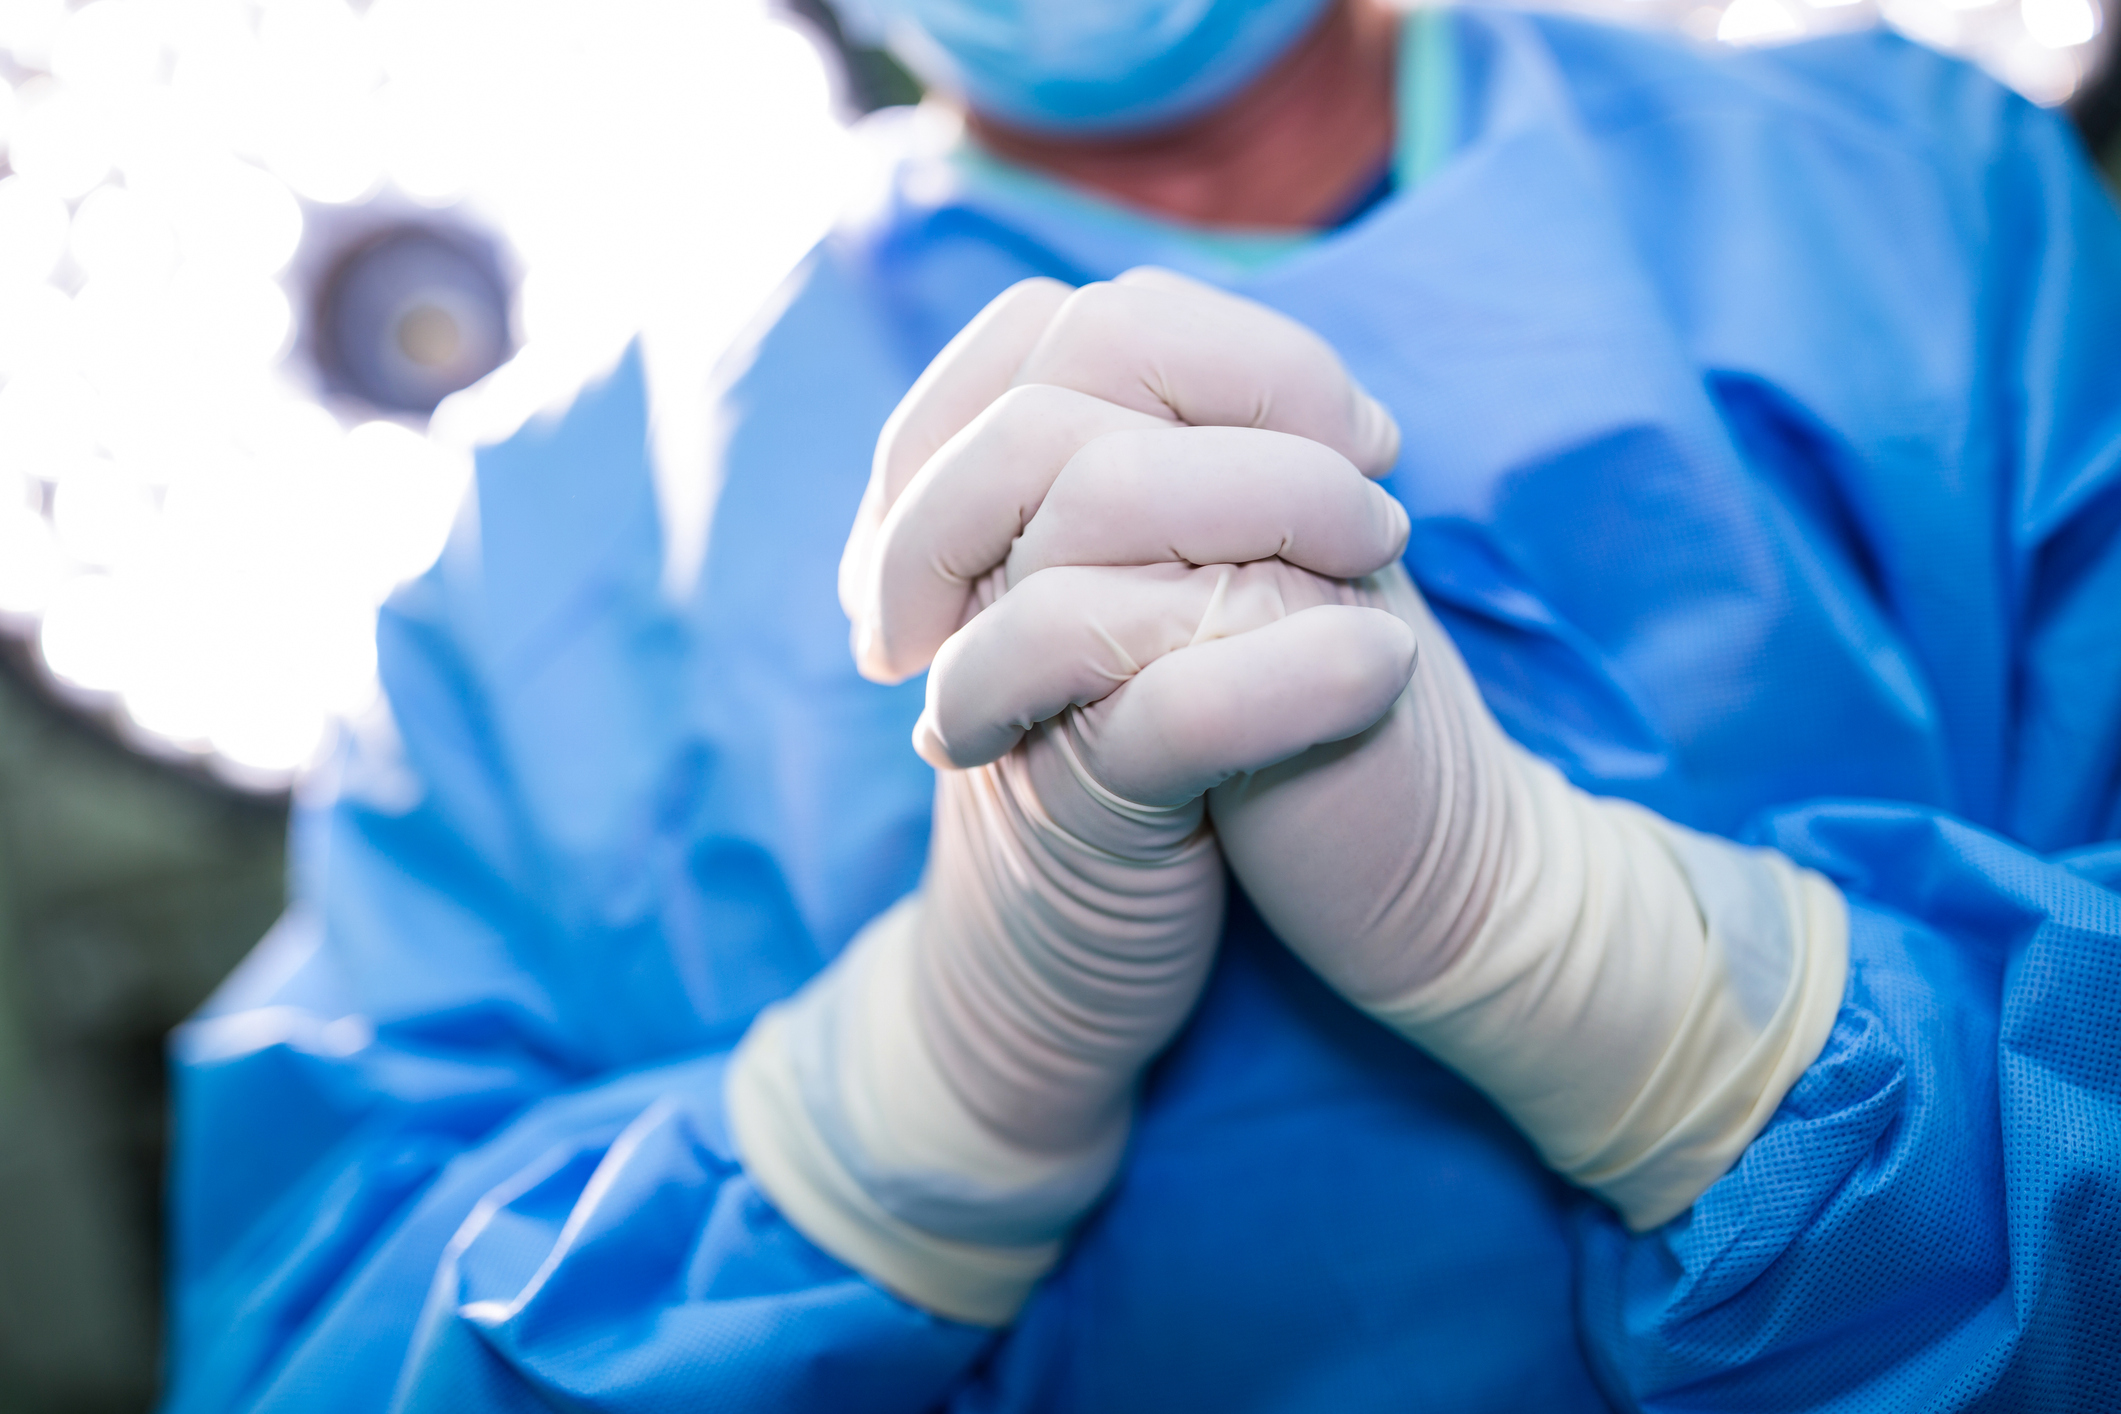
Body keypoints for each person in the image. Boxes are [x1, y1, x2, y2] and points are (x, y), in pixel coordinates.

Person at [163, 1, 2121, 1410]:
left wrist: (1683, 1011)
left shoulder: (1912, 201)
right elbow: (314, 1332)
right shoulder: (542, 539)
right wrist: (899, 1113)